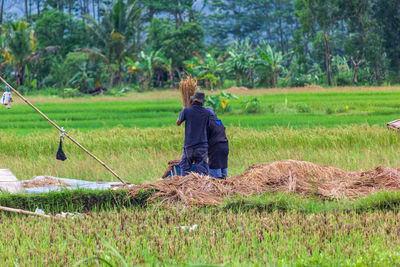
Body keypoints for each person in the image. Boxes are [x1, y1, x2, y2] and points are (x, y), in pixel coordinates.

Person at [177, 90, 210, 176]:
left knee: (185, 167)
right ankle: (202, 187)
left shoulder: (186, 110)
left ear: (193, 100)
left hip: (189, 145)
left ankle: (184, 186)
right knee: (202, 169)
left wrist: (183, 113)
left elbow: (178, 123)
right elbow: (208, 125)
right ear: (202, 102)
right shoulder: (207, 112)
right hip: (202, 146)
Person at [205, 107, 229, 179]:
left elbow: (205, 137)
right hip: (225, 146)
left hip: (215, 147)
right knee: (223, 166)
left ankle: (217, 186)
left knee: (215, 167)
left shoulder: (209, 123)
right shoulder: (219, 122)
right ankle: (224, 184)